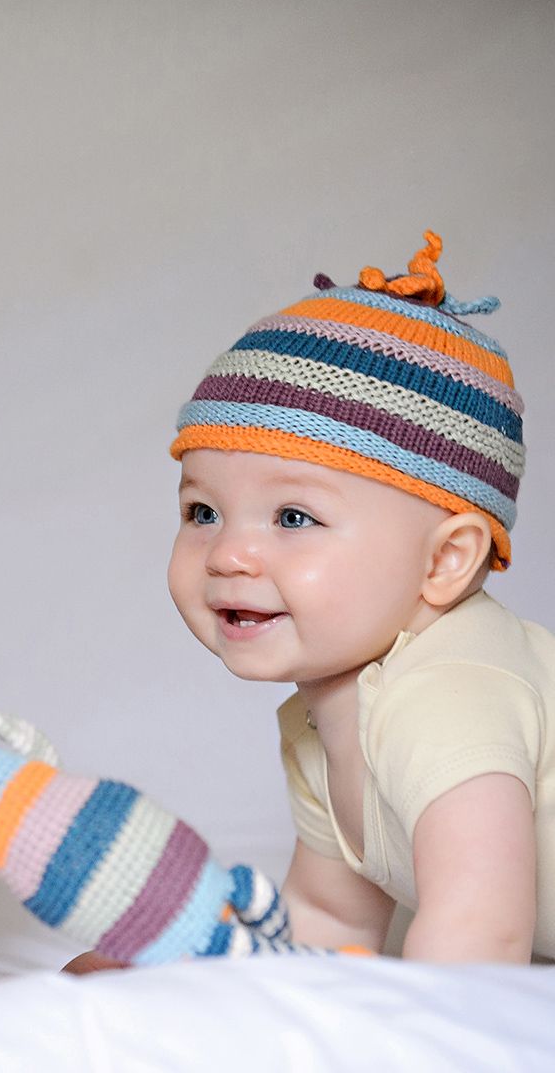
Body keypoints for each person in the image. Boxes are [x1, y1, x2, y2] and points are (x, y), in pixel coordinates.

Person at [167, 231, 554, 962]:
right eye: (202, 512)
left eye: (293, 518)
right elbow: (329, 922)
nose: (226, 554)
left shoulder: (448, 693)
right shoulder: (323, 723)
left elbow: (482, 929)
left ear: (445, 561)